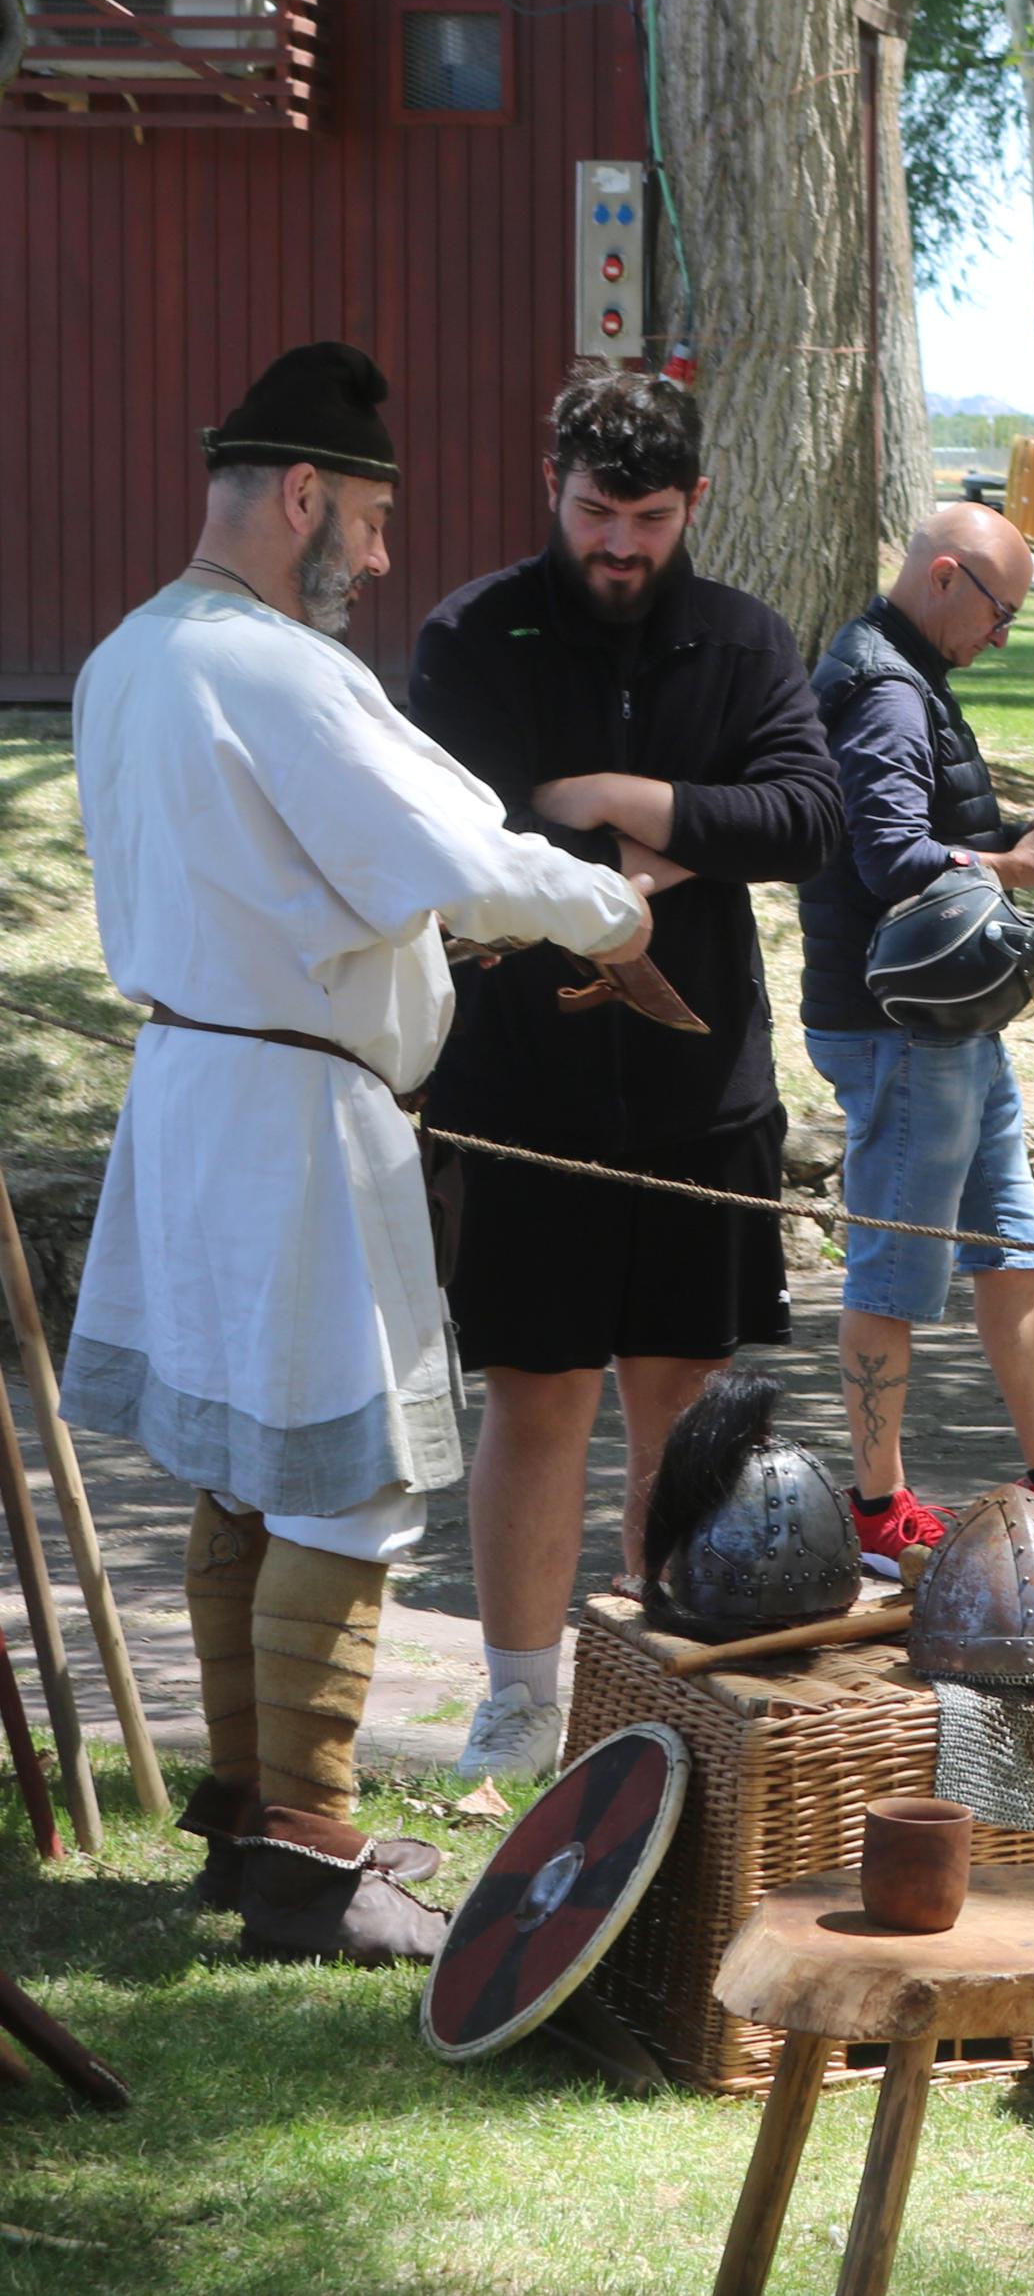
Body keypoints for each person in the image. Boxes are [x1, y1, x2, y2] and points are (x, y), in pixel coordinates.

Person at [65, 342, 651, 1963]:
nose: (382, 558)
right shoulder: (276, 671)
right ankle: (306, 1855)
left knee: (249, 1464)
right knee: (342, 1472)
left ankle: (255, 1819)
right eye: (373, 523)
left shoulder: (125, 657)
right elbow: (456, 852)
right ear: (306, 494)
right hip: (293, 1116)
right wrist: (606, 907)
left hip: (198, 1088)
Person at [409, 366, 841, 1782]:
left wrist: (617, 803)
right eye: (597, 510)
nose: (619, 544)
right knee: (535, 1394)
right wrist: (661, 853)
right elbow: (461, 820)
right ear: (556, 489)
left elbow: (807, 815)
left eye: (648, 517)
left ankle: (667, 1689)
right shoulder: (473, 633)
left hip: (695, 1088)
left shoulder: (742, 637)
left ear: (693, 505)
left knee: (687, 1398)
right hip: (517, 1093)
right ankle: (520, 1694)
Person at [796, 504, 1034, 1565]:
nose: (1004, 635)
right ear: (943, 577)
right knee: (894, 1267)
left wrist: (1004, 851)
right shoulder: (884, 687)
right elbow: (888, 858)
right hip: (902, 1030)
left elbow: (923, 832)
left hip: (949, 1020)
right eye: (1001, 611)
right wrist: (1010, 867)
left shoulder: (902, 671)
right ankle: (877, 1508)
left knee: (1009, 1243)